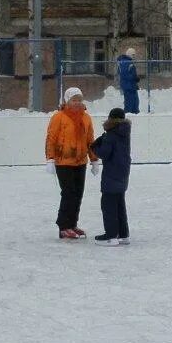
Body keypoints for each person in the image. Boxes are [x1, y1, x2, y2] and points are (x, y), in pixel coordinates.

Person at [45, 86, 97, 239]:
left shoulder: (86, 118)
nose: (77, 103)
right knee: (68, 193)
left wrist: (93, 159)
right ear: (67, 101)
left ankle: (72, 223)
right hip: (63, 161)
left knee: (78, 194)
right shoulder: (58, 117)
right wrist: (50, 158)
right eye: (74, 100)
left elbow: (90, 140)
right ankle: (64, 226)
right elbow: (51, 138)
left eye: (79, 100)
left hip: (80, 162)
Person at [90, 106, 133, 244]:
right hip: (123, 174)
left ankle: (111, 235)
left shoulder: (111, 135)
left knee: (108, 205)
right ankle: (123, 234)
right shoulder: (124, 133)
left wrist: (94, 146)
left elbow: (103, 153)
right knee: (119, 204)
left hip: (111, 174)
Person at [116, 47, 141, 114]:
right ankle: (130, 113)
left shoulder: (125, 62)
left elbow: (124, 73)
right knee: (130, 101)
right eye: (133, 55)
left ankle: (134, 112)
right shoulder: (126, 62)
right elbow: (124, 74)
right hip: (129, 85)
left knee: (134, 100)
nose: (134, 56)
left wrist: (134, 77)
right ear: (129, 54)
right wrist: (134, 78)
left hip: (130, 85)